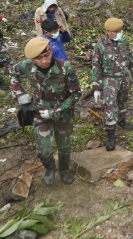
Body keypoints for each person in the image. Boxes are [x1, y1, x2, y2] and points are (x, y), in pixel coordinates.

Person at [10, 37, 82, 185]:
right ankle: (50, 168)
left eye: (47, 55)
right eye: (39, 58)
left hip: (63, 112)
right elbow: (13, 72)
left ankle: (63, 170)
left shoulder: (65, 67)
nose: (44, 61)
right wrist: (20, 94)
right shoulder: (28, 66)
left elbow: (76, 93)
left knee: (64, 145)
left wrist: (55, 112)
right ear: (32, 59)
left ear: (51, 51)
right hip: (40, 111)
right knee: (43, 150)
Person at [91, 18, 133, 151]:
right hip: (110, 79)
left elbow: (131, 59)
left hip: (124, 78)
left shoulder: (124, 42)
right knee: (110, 104)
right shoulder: (100, 46)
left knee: (122, 100)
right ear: (109, 32)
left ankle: (122, 121)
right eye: (117, 31)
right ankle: (111, 135)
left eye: (120, 31)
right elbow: (96, 66)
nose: (119, 33)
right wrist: (96, 87)